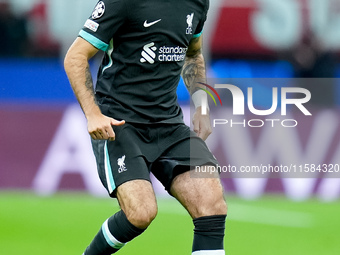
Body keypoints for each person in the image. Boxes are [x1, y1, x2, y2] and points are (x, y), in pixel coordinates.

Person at [64, 0, 227, 254]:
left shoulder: (198, 2)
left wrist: (202, 105)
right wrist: (93, 114)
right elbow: (75, 56)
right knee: (140, 213)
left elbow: (193, 54)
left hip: (169, 123)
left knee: (212, 203)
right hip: (119, 124)